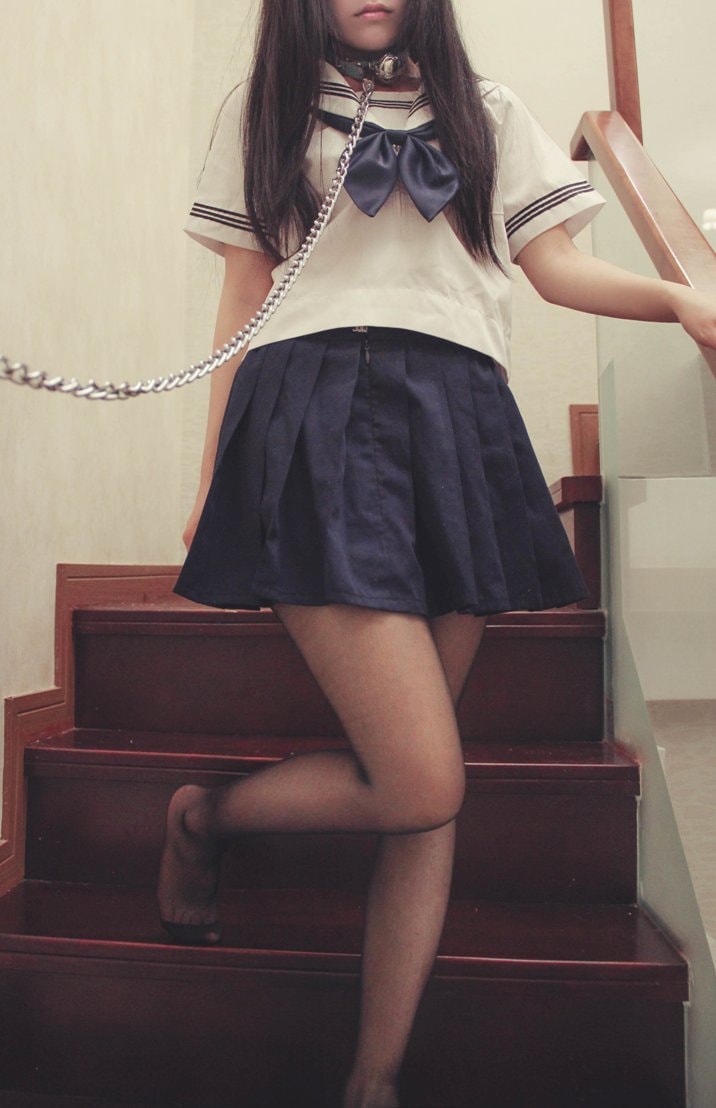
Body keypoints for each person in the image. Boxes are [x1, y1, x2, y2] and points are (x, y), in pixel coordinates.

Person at [158, 2, 716, 1106]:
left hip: (457, 426)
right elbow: (243, 294)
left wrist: (676, 298)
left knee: (424, 788)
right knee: (422, 777)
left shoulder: (484, 110)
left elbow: (554, 268)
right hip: (312, 415)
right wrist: (213, 473)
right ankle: (201, 819)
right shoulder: (266, 108)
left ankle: (374, 1078)